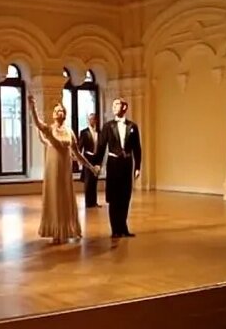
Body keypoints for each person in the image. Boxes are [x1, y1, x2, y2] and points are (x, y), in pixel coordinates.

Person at [28, 95, 98, 244]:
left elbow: (78, 154)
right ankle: (55, 232)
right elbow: (38, 123)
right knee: (54, 198)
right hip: (52, 169)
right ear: (53, 115)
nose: (58, 112)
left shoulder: (69, 132)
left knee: (65, 198)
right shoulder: (49, 129)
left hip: (65, 170)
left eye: (61, 110)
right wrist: (32, 107)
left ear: (65, 114)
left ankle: (68, 229)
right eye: (56, 111)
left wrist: (91, 167)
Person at [94, 98, 142, 239]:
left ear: (124, 107)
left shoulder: (132, 126)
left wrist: (137, 166)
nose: (114, 107)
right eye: (113, 104)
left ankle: (123, 227)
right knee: (114, 197)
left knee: (125, 196)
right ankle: (115, 229)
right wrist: (98, 164)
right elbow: (101, 146)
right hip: (113, 164)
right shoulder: (108, 126)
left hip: (127, 164)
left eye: (117, 104)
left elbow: (137, 148)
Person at [78, 113, 101, 208]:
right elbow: (80, 146)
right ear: (88, 120)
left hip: (96, 158)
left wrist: (99, 162)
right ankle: (88, 203)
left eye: (93, 119)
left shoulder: (99, 132)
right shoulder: (84, 132)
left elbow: (100, 147)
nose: (92, 121)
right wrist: (79, 159)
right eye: (90, 119)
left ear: (96, 120)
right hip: (87, 158)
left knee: (94, 180)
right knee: (88, 181)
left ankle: (94, 202)